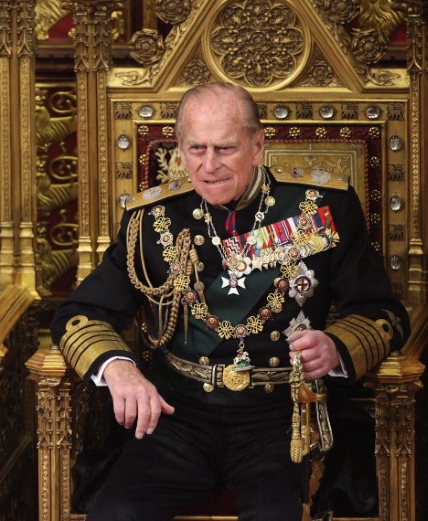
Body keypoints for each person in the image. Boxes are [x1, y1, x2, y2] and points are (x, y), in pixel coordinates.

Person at [50, 82, 410, 520]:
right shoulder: (151, 219)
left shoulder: (319, 208)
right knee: (114, 513)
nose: (208, 165)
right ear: (179, 149)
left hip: (282, 416)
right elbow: (80, 313)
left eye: (225, 148)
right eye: (196, 148)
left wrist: (335, 347)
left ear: (257, 146)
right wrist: (119, 368)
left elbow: (383, 314)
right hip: (176, 414)